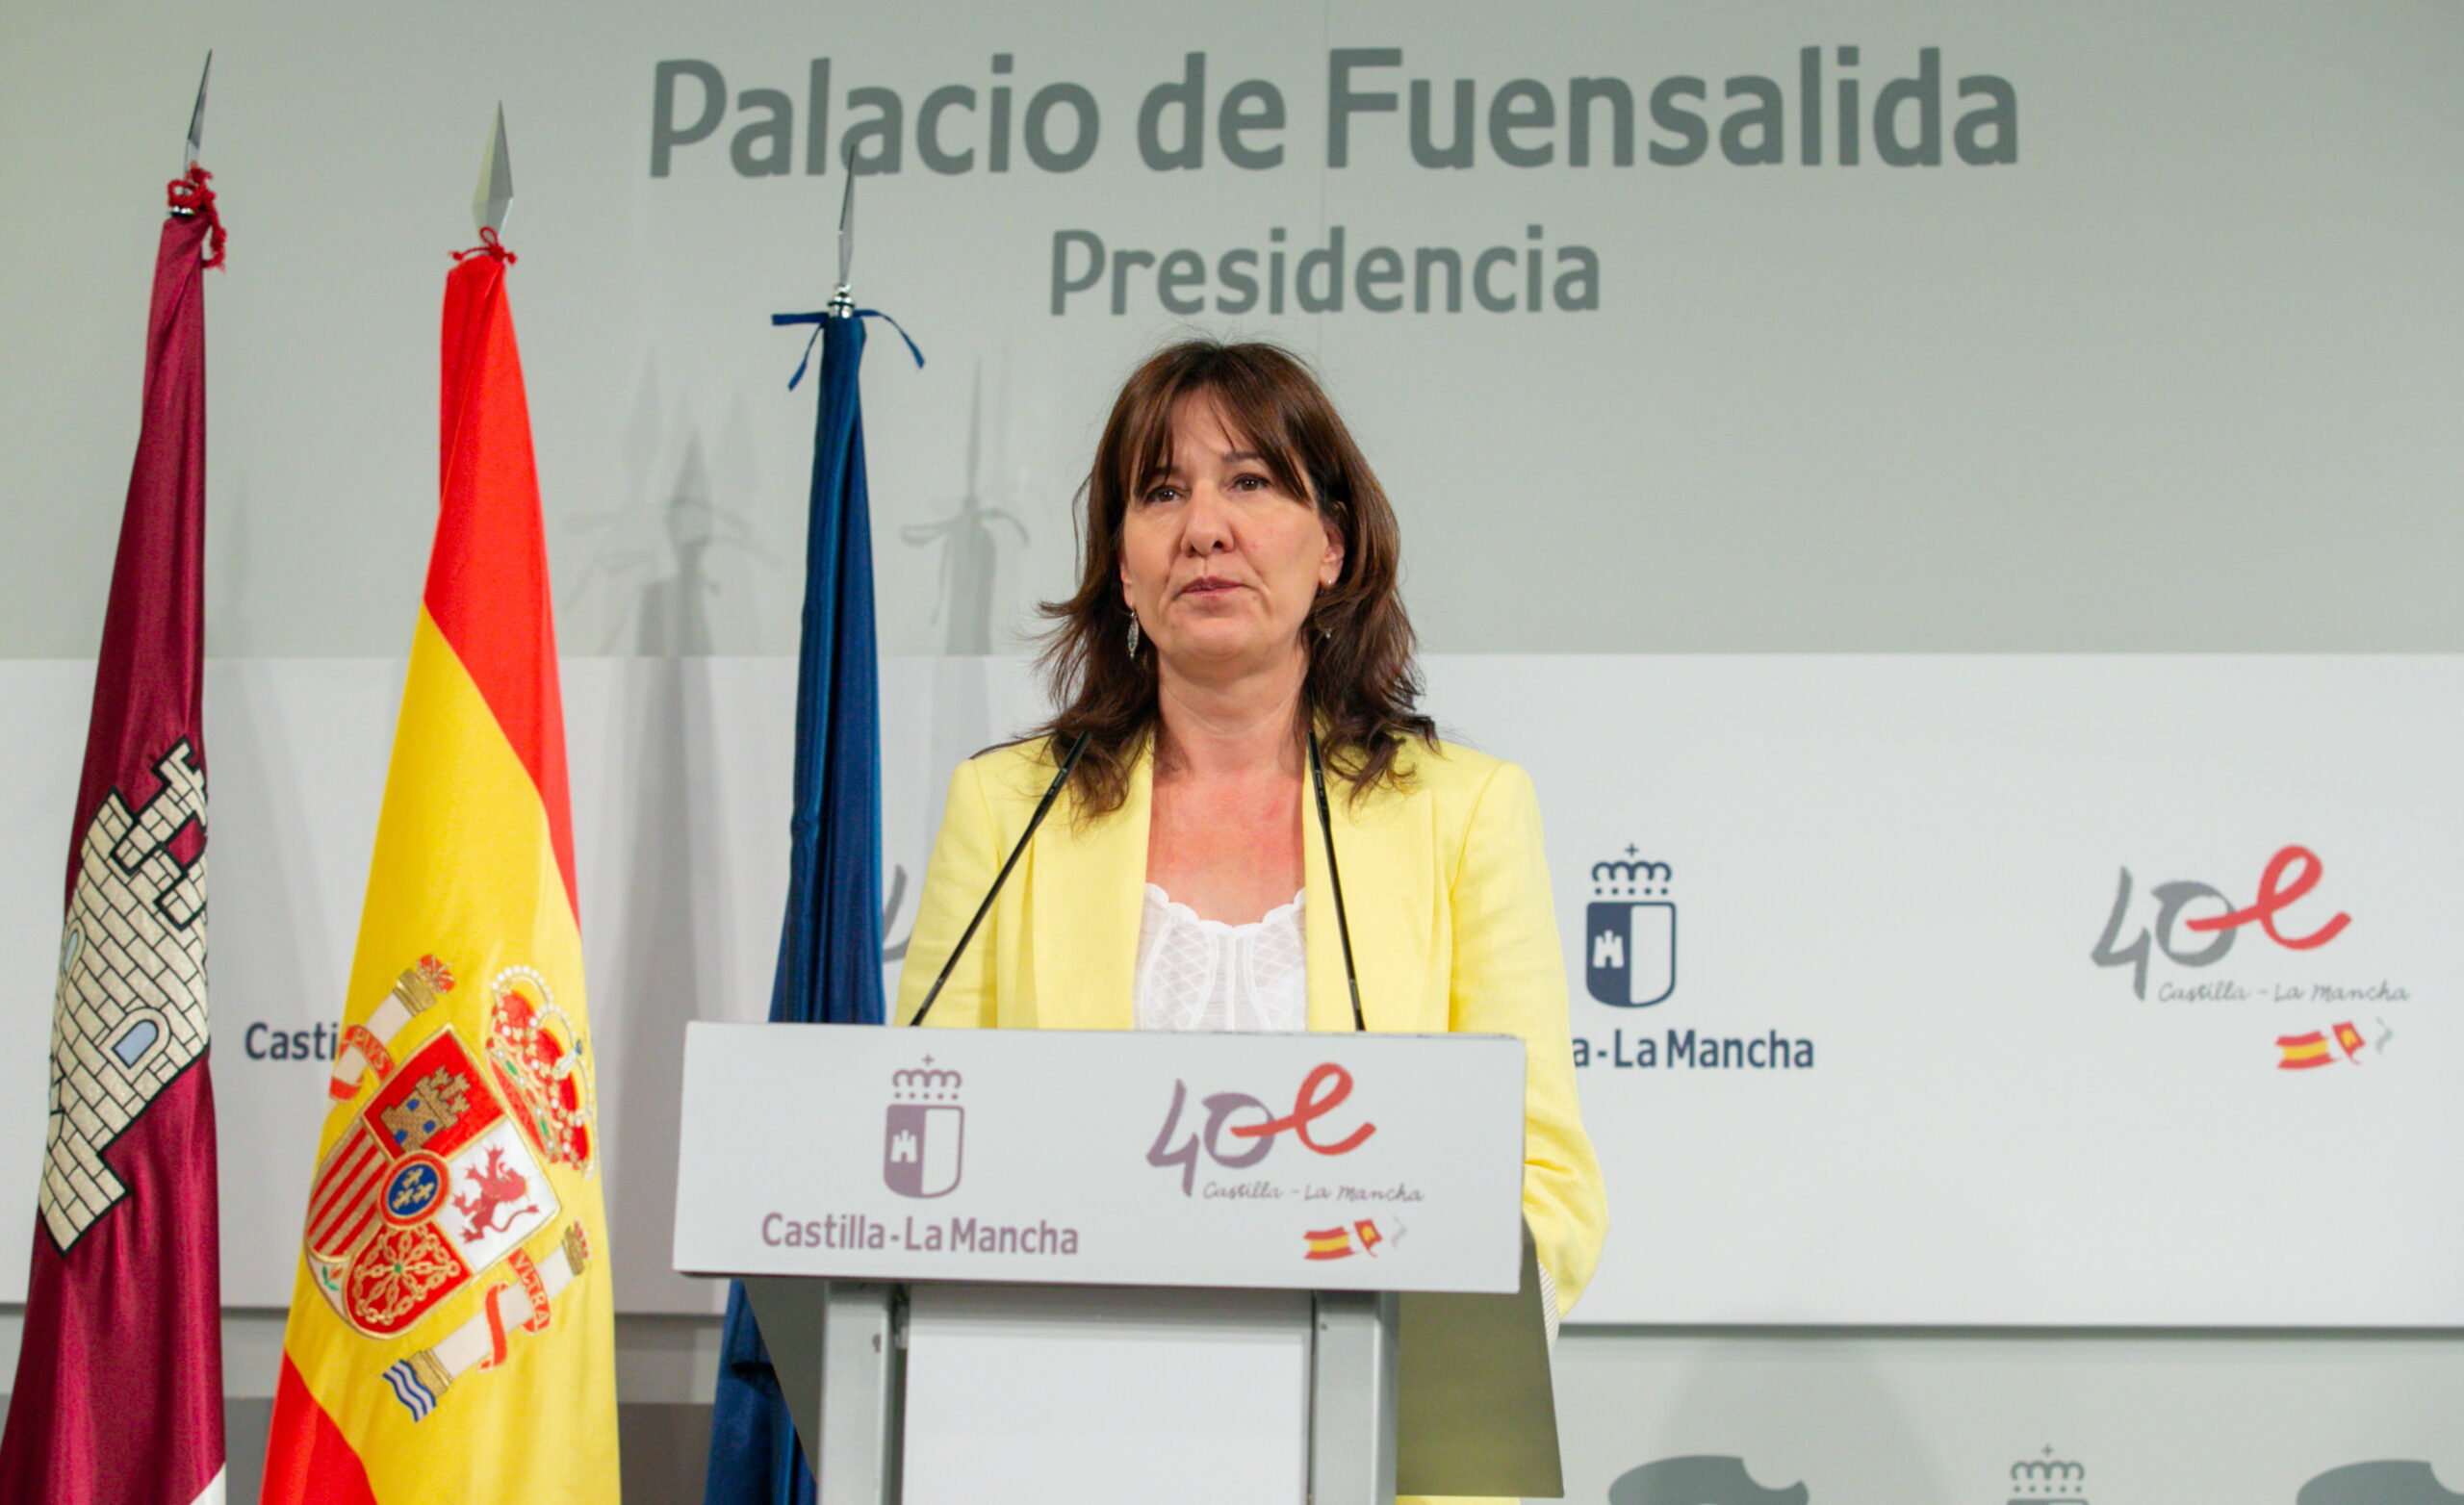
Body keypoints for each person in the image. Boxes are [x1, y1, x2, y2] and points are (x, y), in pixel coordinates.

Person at [895, 341, 1607, 1488]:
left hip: (1374, 1444)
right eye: (1161, 490)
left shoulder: (1464, 812)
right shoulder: (1006, 809)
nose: (1205, 528)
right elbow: (917, 1154)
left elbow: (1547, 1184)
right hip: (1066, 1442)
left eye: (1252, 481)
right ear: (1121, 567)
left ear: (1333, 545)